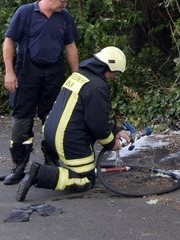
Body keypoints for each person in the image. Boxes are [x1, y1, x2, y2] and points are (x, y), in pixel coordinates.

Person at [16, 46, 130, 202]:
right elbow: (96, 124)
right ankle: (39, 174)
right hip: (69, 138)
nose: (113, 77)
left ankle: (51, 166)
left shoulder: (79, 75)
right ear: (108, 68)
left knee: (79, 168)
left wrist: (116, 130)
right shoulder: (97, 86)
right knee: (86, 180)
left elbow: (89, 114)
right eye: (115, 73)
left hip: (51, 131)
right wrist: (112, 143)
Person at [1, 0, 81, 184]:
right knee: (21, 120)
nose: (65, 5)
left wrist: (76, 76)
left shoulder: (64, 18)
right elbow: (9, 41)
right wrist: (9, 72)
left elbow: (70, 46)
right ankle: (19, 167)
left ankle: (51, 163)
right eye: (62, 1)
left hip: (53, 74)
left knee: (53, 120)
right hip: (26, 73)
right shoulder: (26, 13)